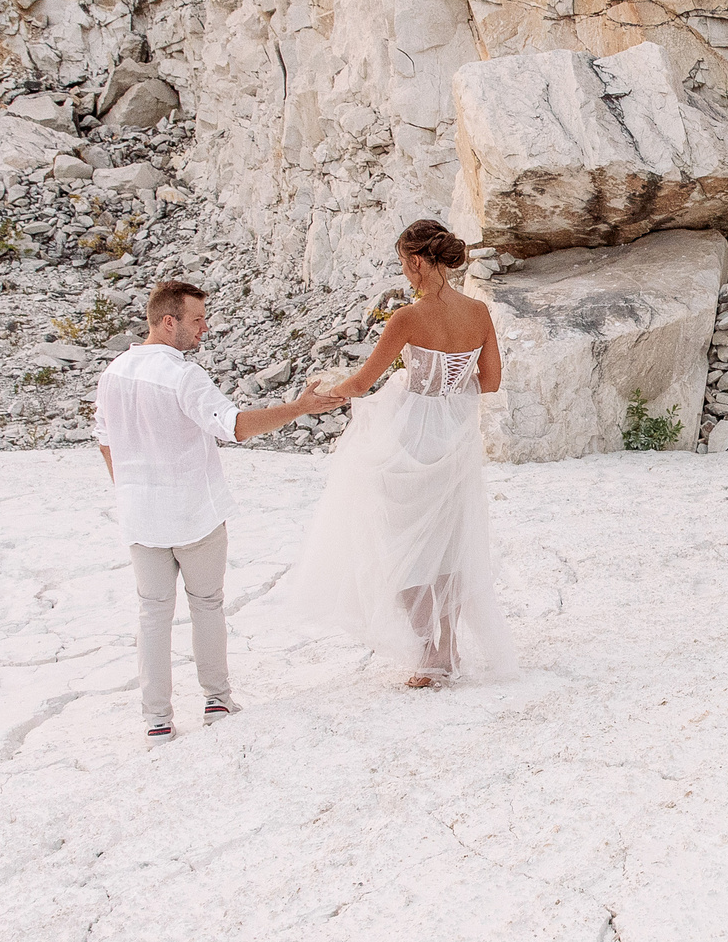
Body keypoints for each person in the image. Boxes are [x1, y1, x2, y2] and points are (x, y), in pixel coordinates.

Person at [95, 279, 344, 747]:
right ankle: (216, 700)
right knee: (206, 604)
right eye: (196, 320)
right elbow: (235, 427)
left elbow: (105, 441)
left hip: (140, 516)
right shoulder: (182, 375)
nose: (204, 329)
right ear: (168, 322)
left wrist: (130, 491)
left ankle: (156, 721)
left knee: (152, 615)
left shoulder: (114, 372)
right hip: (194, 512)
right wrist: (299, 407)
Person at [287, 219, 518, 688]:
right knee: (448, 541)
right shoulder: (478, 312)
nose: (404, 273)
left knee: (402, 541)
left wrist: (320, 395)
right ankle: (449, 645)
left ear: (416, 261)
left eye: (403, 264)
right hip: (454, 432)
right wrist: (451, 386)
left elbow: (361, 383)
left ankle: (428, 653)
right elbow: (491, 381)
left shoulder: (408, 318)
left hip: (411, 432)